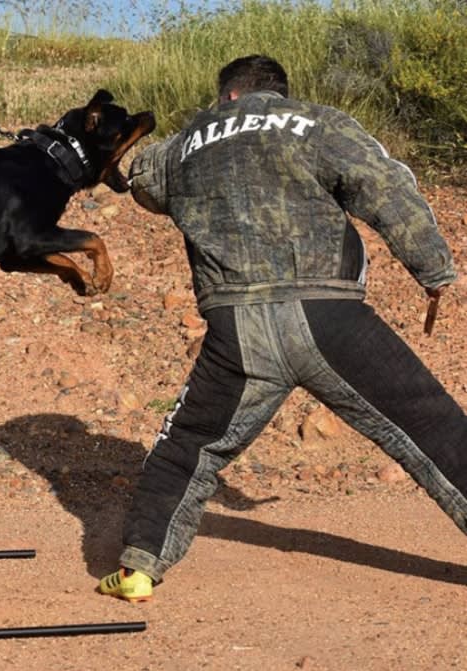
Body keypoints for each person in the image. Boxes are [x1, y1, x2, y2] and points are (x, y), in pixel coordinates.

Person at [98, 54, 466, 603]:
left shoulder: (184, 144)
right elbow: (384, 184)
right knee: (434, 427)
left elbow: (141, 180)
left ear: (227, 96)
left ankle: (140, 568)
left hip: (235, 328)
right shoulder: (318, 123)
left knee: (187, 447)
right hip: (330, 316)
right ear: (279, 94)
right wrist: (431, 269)